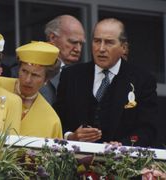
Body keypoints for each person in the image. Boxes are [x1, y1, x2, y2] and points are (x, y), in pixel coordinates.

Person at [55, 18, 158, 147]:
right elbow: (57, 119)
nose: (101, 48)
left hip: (121, 163)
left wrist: (123, 145)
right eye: (97, 41)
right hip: (75, 160)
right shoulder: (71, 75)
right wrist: (70, 136)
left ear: (123, 47)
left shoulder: (142, 80)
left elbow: (148, 128)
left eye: (109, 42)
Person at [0, 41, 63, 138]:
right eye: (24, 71)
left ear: (46, 80)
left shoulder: (51, 120)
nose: (28, 80)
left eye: (35, 75)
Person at [40, 15, 85, 105]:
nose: (78, 49)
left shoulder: (83, 75)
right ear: (52, 38)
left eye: (81, 44)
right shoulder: (31, 68)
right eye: (73, 42)